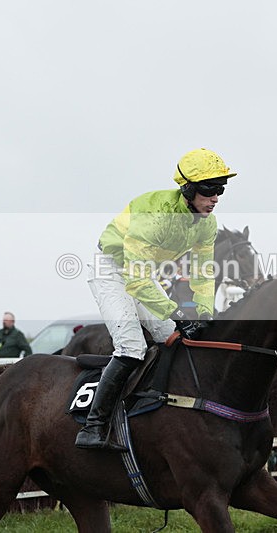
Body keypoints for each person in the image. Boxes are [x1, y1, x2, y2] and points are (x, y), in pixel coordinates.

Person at [75, 148, 234, 450]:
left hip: (143, 274)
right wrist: (177, 313)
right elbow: (135, 280)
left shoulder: (207, 223)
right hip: (111, 270)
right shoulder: (156, 214)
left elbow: (202, 273)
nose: (216, 198)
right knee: (132, 347)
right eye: (209, 189)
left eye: (220, 190)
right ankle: (93, 427)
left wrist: (203, 313)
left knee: (174, 337)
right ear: (188, 189)